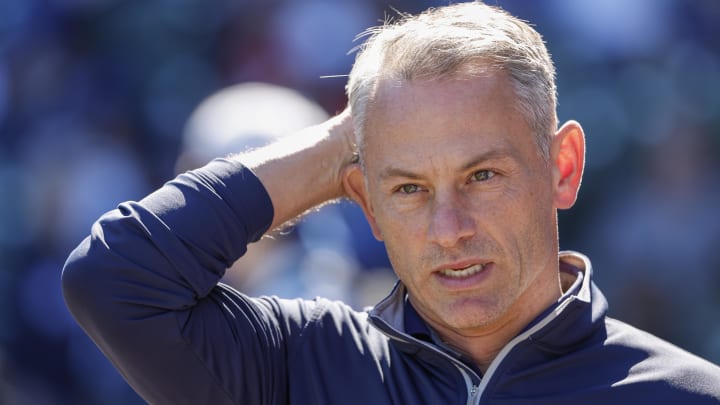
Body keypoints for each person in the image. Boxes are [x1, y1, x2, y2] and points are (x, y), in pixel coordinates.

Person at [61, 2, 720, 404]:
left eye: (482, 175)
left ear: (564, 168)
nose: (448, 229)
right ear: (364, 202)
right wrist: (344, 141)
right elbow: (112, 279)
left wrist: (395, 145)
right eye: (407, 188)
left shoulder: (686, 395)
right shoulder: (297, 366)